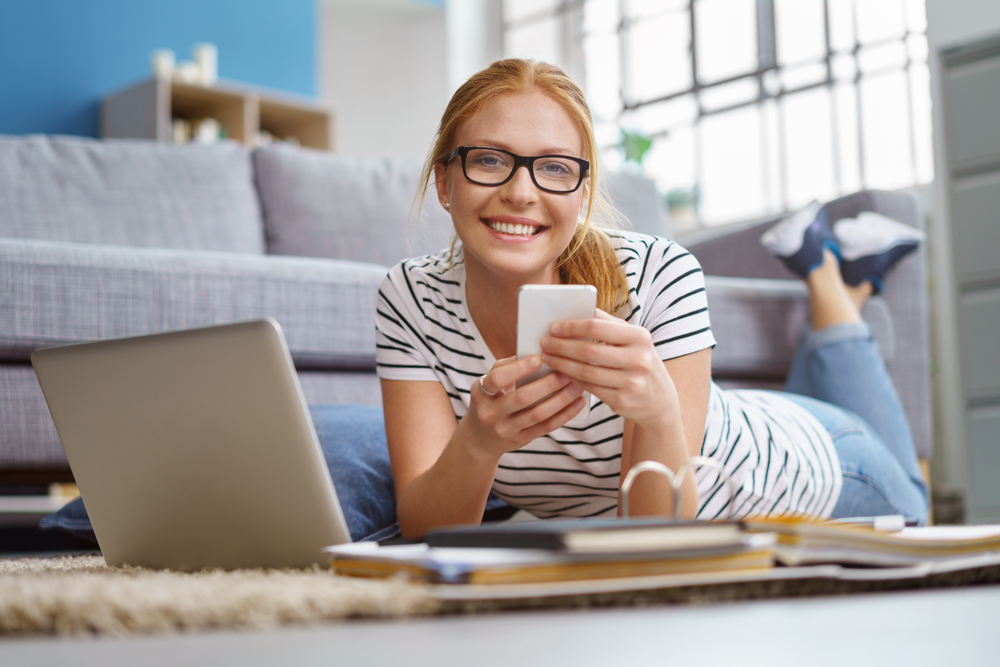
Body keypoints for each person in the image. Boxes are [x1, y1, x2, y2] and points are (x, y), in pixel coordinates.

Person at [375, 58, 929, 539]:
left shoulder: (658, 274)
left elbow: (659, 535)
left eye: (554, 169)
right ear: (445, 183)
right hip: (742, 420)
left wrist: (661, 414)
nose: (521, 192)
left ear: (583, 195)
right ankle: (839, 281)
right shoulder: (410, 298)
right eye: (490, 160)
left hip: (807, 469)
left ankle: (826, 275)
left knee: (918, 508)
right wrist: (477, 441)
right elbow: (427, 530)